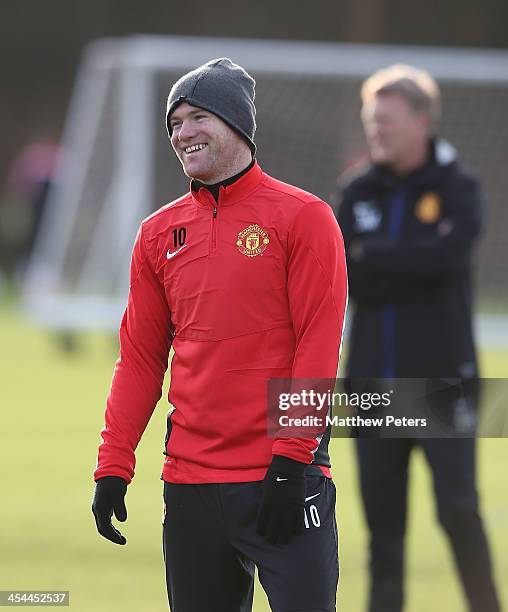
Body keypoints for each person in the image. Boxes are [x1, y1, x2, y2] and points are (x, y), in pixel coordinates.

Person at [92, 58, 347, 612]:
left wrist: (291, 458)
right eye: (174, 123)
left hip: (284, 476)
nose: (182, 133)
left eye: (197, 116)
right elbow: (138, 360)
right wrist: (114, 464)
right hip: (191, 487)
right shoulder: (157, 235)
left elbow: (318, 343)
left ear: (238, 125)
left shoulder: (304, 217)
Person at [336, 65, 501, 612]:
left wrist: (375, 253)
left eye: (386, 119)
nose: (375, 129)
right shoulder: (357, 190)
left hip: (441, 383)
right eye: (370, 119)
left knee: (458, 511)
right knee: (382, 534)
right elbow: (346, 277)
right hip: (369, 387)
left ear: (421, 121)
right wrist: (401, 259)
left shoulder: (459, 188)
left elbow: (446, 260)